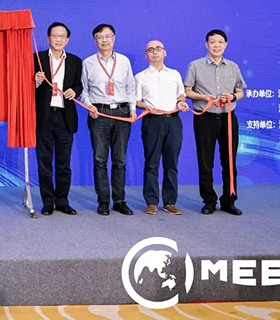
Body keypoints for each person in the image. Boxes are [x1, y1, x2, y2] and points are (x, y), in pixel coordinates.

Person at [185, 29, 246, 215]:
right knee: (205, 161)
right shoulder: (195, 66)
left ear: (225, 45)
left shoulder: (233, 67)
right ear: (206, 44)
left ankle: (229, 200)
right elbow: (187, 91)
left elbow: (240, 92)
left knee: (229, 160)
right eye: (212, 42)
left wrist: (232, 96)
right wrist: (204, 97)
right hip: (205, 118)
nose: (216, 45)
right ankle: (209, 200)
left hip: (228, 118)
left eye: (220, 42)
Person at [81, 24, 137, 216]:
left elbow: (131, 87)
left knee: (119, 160)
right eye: (100, 37)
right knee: (100, 159)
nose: (104, 40)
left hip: (122, 113)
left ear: (114, 38)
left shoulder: (124, 61)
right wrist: (89, 105)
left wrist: (132, 109)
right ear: (94, 40)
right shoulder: (88, 63)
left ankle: (119, 200)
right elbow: (83, 90)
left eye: (108, 36)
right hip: (99, 114)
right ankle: (103, 201)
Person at [135, 40, 190, 216]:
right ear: (146, 55)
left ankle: (170, 202)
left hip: (173, 121)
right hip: (152, 122)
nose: (155, 52)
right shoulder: (140, 77)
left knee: (171, 163)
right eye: (150, 50)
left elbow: (181, 94)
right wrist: (144, 106)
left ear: (164, 52)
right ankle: (151, 202)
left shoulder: (174, 74)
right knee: (151, 162)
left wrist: (181, 102)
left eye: (158, 49)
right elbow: (135, 100)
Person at [34, 22, 83, 216]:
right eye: (55, 36)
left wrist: (75, 91)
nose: (58, 39)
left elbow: (79, 85)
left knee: (64, 163)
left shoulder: (75, 61)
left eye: (62, 36)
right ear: (48, 38)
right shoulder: (36, 59)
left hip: (65, 117)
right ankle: (47, 202)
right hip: (44, 117)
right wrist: (35, 81)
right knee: (44, 162)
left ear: (67, 40)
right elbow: (24, 87)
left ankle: (62, 201)